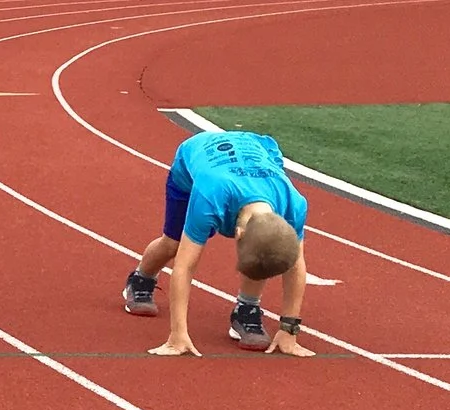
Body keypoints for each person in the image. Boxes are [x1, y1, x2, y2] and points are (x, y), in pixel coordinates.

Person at [126, 128, 313, 357]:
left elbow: (296, 265)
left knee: (265, 251)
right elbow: (184, 266)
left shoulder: (294, 205)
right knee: (173, 244)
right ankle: (141, 279)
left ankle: (246, 309)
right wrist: (178, 334)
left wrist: (289, 330)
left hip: (256, 153)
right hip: (196, 160)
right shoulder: (209, 197)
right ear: (238, 234)